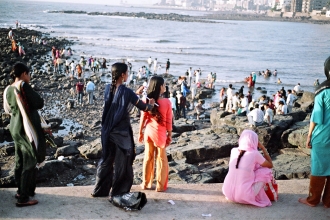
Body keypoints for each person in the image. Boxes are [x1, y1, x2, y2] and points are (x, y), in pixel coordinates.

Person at [91, 63, 154, 211]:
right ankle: (118, 192)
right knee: (123, 163)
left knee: (107, 160)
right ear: (123, 75)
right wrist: (150, 103)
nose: (128, 74)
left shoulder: (109, 88)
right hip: (121, 133)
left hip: (107, 130)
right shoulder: (126, 92)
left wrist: (135, 94)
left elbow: (120, 103)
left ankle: (100, 190)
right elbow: (144, 108)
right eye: (127, 72)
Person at [3, 63, 46, 207]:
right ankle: (23, 198)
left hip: (14, 126)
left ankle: (22, 190)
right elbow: (39, 103)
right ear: (23, 74)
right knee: (30, 160)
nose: (29, 76)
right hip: (26, 127)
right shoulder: (23, 86)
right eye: (28, 74)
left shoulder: (8, 89)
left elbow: (7, 109)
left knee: (20, 159)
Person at [299, 57, 330, 208]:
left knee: (318, 167)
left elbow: (316, 116)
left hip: (323, 135)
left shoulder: (322, 90)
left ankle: (313, 200)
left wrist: (309, 136)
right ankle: (328, 201)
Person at [222, 130, 273, 207]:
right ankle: (254, 195)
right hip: (244, 196)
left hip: (227, 192)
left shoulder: (233, 150)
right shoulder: (254, 153)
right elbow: (270, 165)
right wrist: (263, 148)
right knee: (266, 171)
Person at [139, 76, 172, 192]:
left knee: (148, 157)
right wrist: (170, 135)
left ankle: (146, 183)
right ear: (160, 87)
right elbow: (168, 121)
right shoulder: (167, 102)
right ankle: (160, 186)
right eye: (164, 85)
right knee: (161, 159)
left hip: (148, 132)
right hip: (160, 133)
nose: (165, 87)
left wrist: (140, 133)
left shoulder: (146, 101)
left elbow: (143, 118)